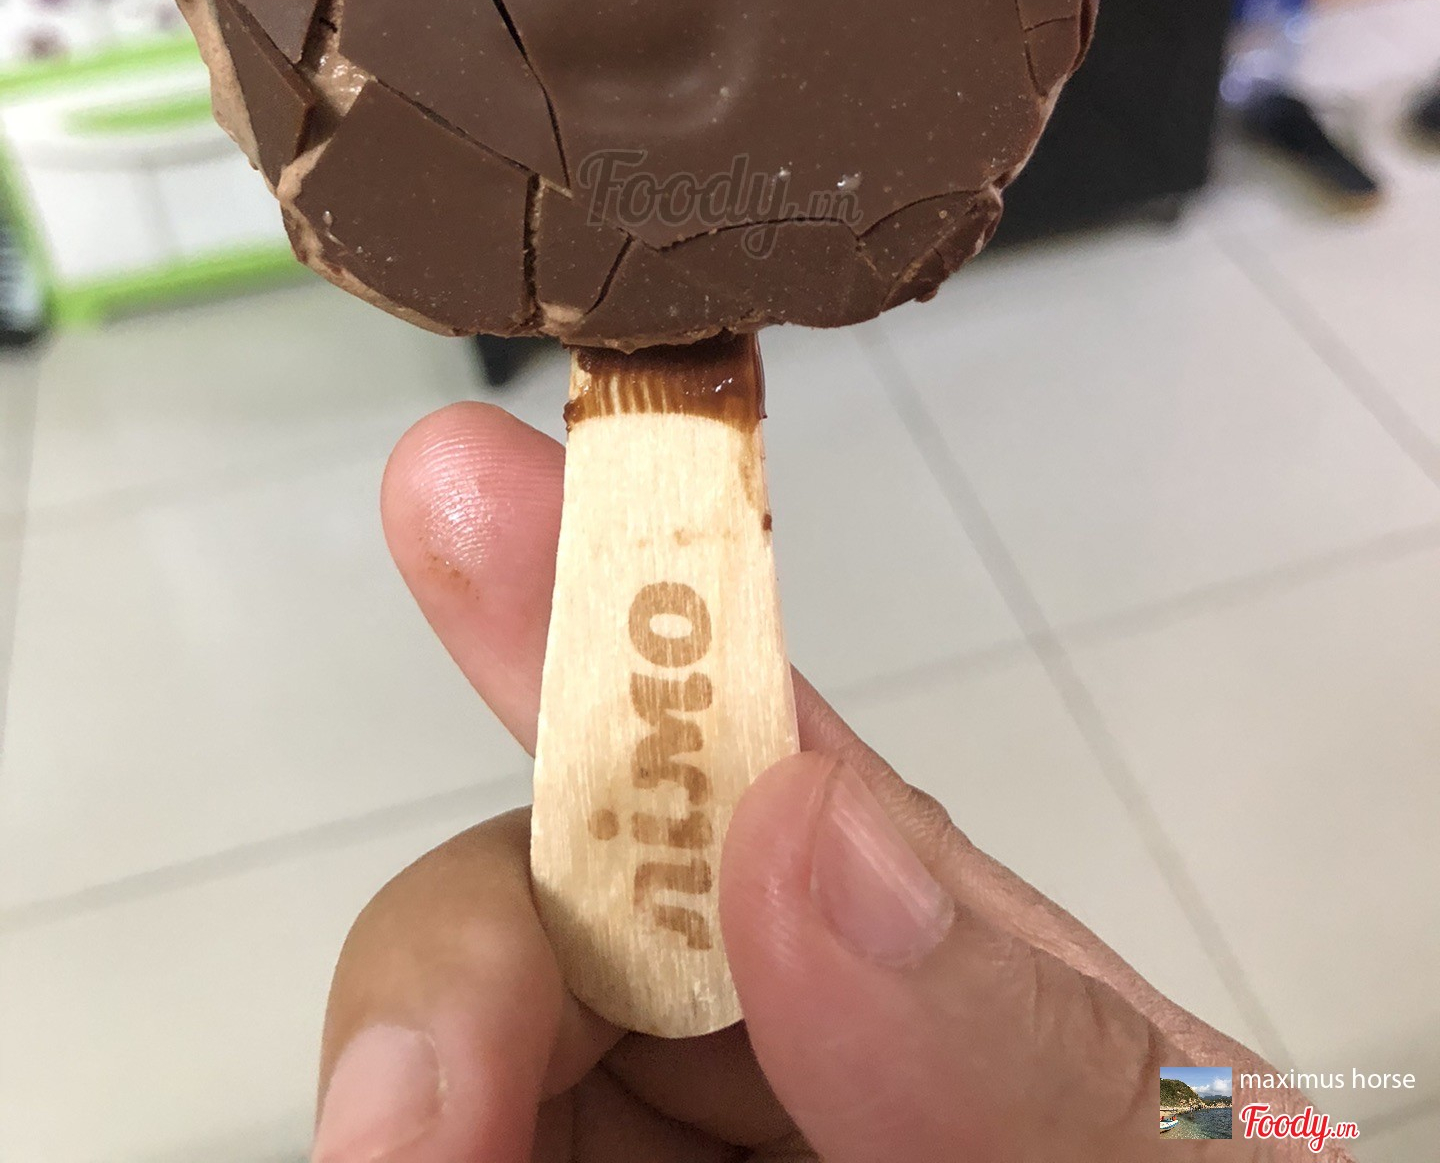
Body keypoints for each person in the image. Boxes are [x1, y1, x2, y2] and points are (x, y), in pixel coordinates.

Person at [311, 402, 1355, 1161]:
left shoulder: (1189, 1102)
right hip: (1262, 1115)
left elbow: (1215, 1115)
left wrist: (1248, 1124)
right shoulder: (1220, 1108)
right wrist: (1282, 1128)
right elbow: (1234, 1116)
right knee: (1252, 1103)